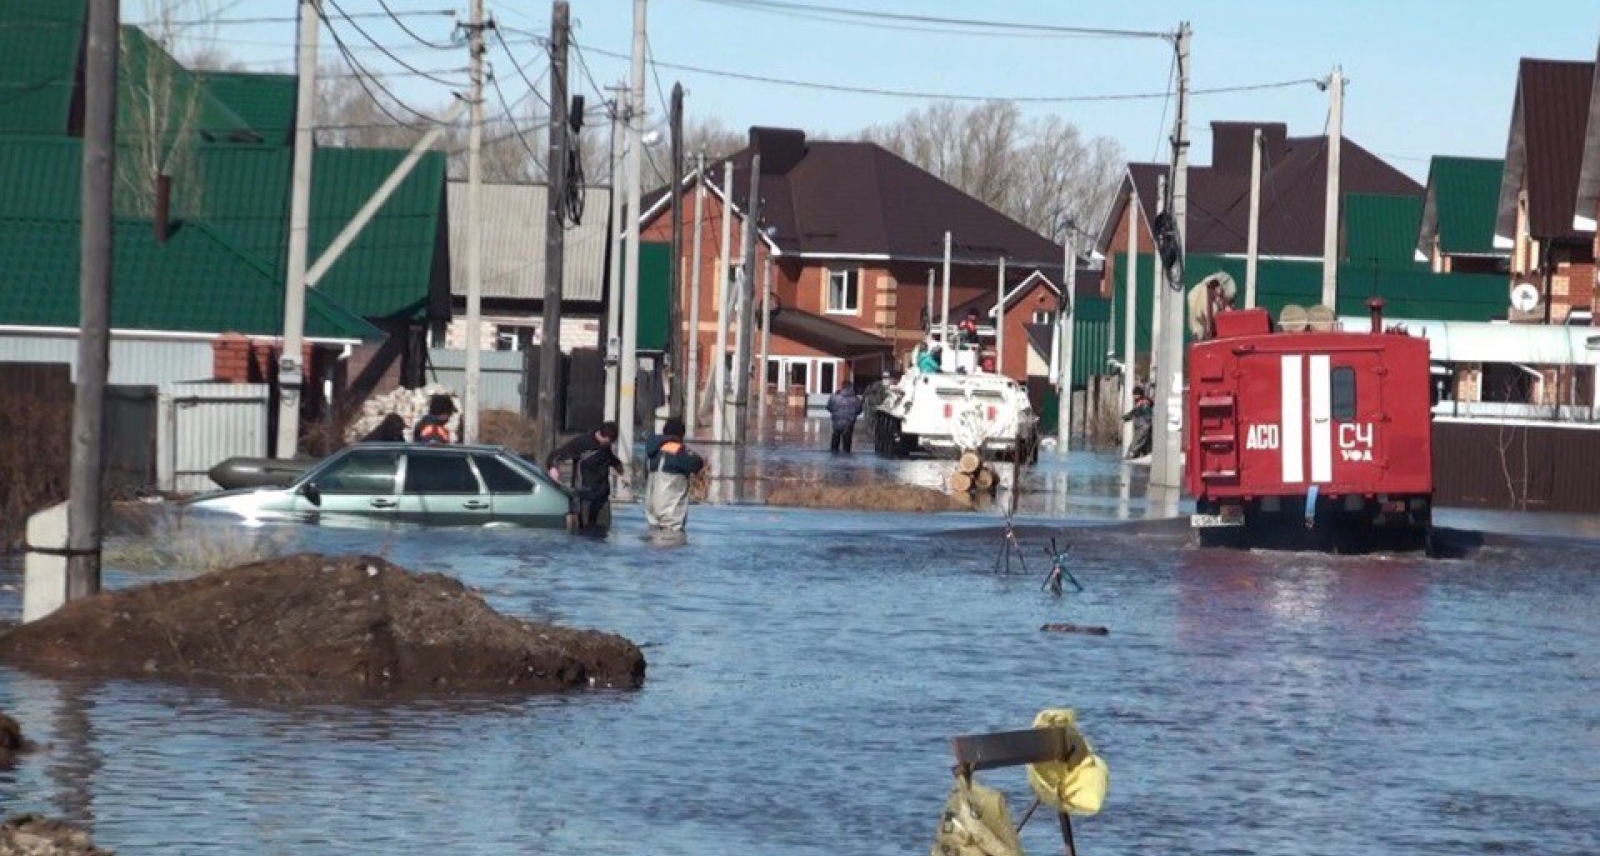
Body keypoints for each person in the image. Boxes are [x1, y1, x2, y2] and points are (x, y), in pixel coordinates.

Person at [546, 420, 624, 532]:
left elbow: (608, 458)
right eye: (608, 442)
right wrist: (552, 467)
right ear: (602, 436)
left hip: (602, 497)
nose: (609, 444)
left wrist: (618, 466)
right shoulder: (582, 443)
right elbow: (555, 455)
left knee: (603, 534)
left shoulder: (606, 445)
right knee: (586, 533)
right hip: (585, 497)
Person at [644, 416, 705, 533]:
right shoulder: (678, 450)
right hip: (671, 520)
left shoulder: (652, 451)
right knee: (673, 547)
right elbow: (698, 463)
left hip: (652, 517)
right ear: (680, 435)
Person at [825, 383, 864, 454]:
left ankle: (833, 456)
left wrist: (835, 413)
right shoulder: (856, 398)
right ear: (850, 387)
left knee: (835, 440)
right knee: (847, 445)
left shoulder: (834, 397)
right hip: (849, 423)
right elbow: (859, 410)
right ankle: (846, 457)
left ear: (842, 387)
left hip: (836, 422)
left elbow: (828, 407)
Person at [1122, 386, 1153, 459]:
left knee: (1134, 446)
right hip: (1142, 427)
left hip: (1143, 427)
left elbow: (1146, 416)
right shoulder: (1139, 403)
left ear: (1139, 395)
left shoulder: (1144, 403)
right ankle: (1141, 458)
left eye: (1135, 394)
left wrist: (1126, 418)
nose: (1134, 396)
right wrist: (1125, 418)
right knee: (1144, 446)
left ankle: (1130, 458)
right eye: (1134, 394)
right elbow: (1134, 412)